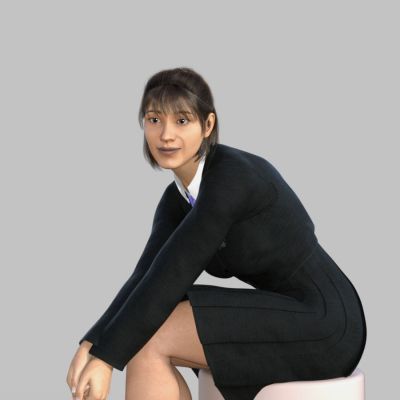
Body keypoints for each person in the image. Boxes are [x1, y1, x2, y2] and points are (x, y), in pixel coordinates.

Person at [66, 67, 367, 400]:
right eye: (154, 120)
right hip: (280, 313)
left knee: (147, 335)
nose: (166, 135)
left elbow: (174, 273)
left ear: (207, 125)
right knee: (143, 329)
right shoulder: (177, 200)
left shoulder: (232, 178)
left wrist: (107, 359)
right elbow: (146, 276)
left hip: (325, 323)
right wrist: (91, 344)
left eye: (182, 120)